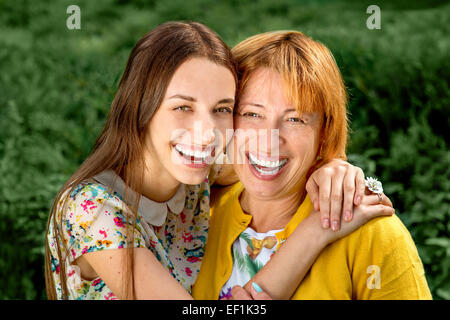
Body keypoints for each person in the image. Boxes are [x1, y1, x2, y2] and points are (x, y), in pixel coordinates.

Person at [45, 21, 382, 300]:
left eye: (222, 109)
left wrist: (331, 167)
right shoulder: (92, 210)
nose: (207, 134)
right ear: (140, 108)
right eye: (182, 107)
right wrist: (314, 233)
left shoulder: (199, 174)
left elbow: (279, 160)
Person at [192, 31, 432, 300]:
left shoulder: (372, 233)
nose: (269, 141)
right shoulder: (196, 216)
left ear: (325, 132)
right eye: (252, 114)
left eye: (296, 119)